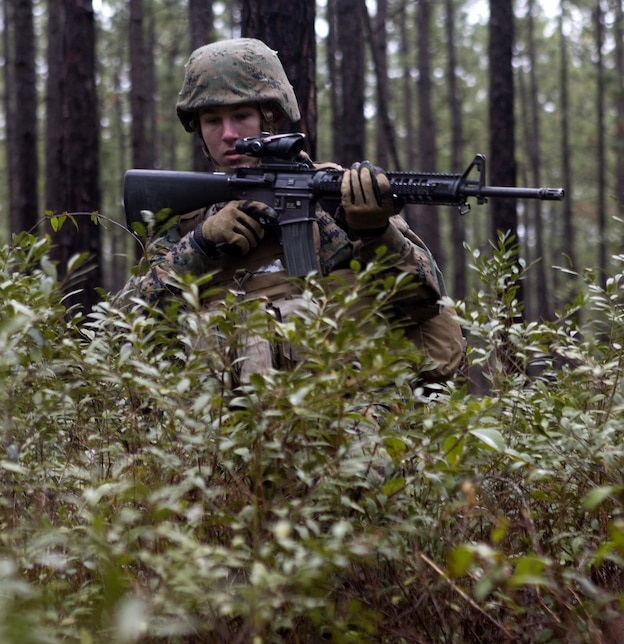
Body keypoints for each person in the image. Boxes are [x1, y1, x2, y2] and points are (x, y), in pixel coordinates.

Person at [117, 37, 465, 387]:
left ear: (271, 118)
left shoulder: (338, 195)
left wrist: (376, 232)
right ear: (199, 130)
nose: (228, 134)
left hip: (352, 424)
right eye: (212, 120)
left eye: (241, 116)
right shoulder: (189, 223)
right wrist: (201, 244)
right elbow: (127, 331)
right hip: (232, 433)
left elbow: (423, 305)